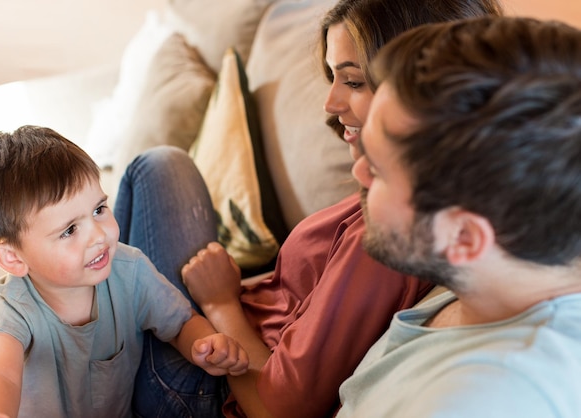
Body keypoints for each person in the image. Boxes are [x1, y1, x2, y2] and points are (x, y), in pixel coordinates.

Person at [115, 1, 503, 417]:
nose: (330, 103)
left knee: (158, 168)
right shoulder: (403, 187)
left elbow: (277, 406)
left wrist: (221, 303)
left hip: (207, 383)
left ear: (422, 87)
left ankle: (95, 346)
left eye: (353, 81)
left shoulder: (389, 231)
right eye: (333, 78)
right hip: (227, 342)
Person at [337, 16, 581, 417]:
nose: (357, 172)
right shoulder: (500, 278)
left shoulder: (484, 398)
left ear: (465, 237)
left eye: (377, 170)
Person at [0, 126, 249, 418]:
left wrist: (203, 345)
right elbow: (1, 376)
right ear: (12, 258)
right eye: (70, 230)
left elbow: (181, 323)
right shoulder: (12, 312)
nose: (99, 236)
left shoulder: (129, 268)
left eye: (99, 210)